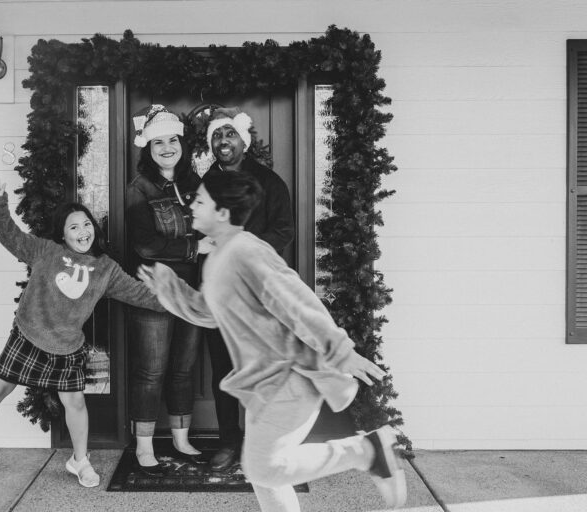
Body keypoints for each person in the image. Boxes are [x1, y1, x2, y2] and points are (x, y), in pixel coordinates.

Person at [138, 171, 407, 511]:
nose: (192, 205)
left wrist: (340, 351)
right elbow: (211, 312)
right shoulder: (221, 256)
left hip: (289, 375)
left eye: (201, 201)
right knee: (265, 476)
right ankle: (363, 452)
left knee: (263, 467)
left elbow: (294, 300)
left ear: (222, 213)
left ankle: (364, 451)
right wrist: (172, 290)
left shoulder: (246, 251)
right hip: (264, 381)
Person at [0, 172, 165, 488]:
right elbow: (10, 234)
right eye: (74, 227)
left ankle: (80, 460)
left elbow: (140, 294)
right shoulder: (47, 252)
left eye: (87, 224)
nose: (83, 231)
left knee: (75, 403)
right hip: (29, 336)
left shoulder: (105, 269)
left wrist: (179, 300)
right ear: (63, 235)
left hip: (67, 345)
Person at [202, 106, 295, 471]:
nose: (223, 142)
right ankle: (228, 442)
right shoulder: (204, 184)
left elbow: (283, 230)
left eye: (229, 134)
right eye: (216, 136)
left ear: (244, 140)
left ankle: (263, 444)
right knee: (224, 370)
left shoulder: (270, 183)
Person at [125, 105, 213, 474]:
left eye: (172, 140)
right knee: (151, 370)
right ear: (147, 148)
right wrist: (195, 248)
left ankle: (180, 438)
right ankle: (144, 445)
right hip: (157, 291)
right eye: (158, 141)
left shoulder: (196, 183)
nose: (166, 147)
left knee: (183, 369)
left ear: (181, 143)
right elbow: (144, 245)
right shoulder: (139, 188)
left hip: (193, 290)